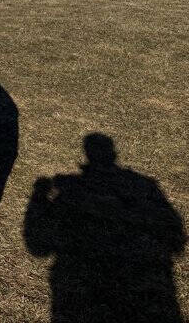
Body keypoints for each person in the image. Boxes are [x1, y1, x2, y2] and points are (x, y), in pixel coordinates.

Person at [24, 133, 185, 322]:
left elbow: (38, 246)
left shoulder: (72, 190)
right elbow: (176, 240)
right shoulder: (144, 186)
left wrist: (40, 195)